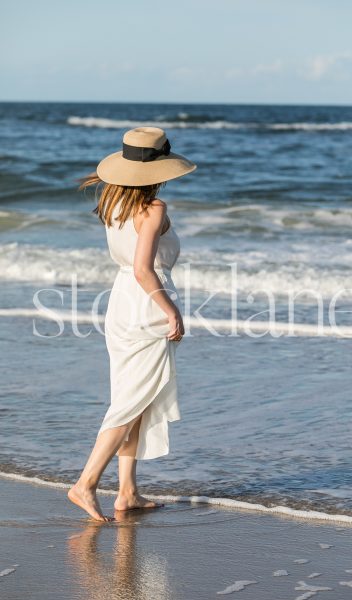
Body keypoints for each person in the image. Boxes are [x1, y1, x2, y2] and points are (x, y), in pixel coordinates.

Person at [68, 127, 196, 521]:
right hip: (145, 303)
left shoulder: (113, 202)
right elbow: (145, 269)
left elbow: (132, 267)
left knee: (136, 397)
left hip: (121, 303)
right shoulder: (154, 209)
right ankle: (86, 483)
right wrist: (170, 310)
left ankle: (127, 492)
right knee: (130, 401)